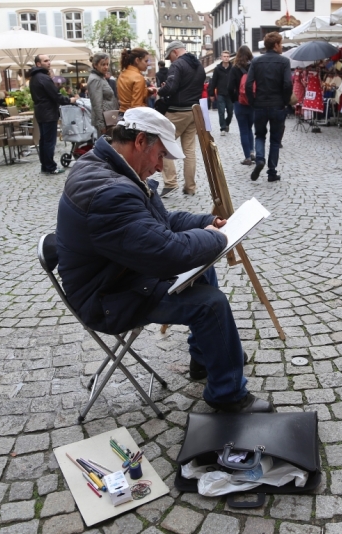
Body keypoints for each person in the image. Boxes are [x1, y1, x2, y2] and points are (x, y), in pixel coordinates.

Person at [56, 106, 272, 414]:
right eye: (159, 156)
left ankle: (203, 358)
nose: (160, 167)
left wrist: (204, 222)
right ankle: (228, 395)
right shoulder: (110, 191)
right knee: (209, 304)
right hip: (105, 297)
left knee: (202, 272)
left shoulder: (112, 168)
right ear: (140, 141)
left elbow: (161, 221)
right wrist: (218, 238)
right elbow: (167, 254)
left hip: (116, 274)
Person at [157, 40, 206, 197]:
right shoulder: (198, 65)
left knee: (162, 143)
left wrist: (161, 90)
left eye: (169, 56)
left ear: (175, 52)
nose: (170, 60)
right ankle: (190, 187)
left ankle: (170, 182)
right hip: (194, 111)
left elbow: (171, 87)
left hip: (177, 111)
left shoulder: (177, 65)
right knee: (189, 150)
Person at [245, 32, 292, 182]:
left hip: (259, 104)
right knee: (275, 140)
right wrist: (285, 101)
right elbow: (288, 84)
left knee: (259, 135)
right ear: (276, 45)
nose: (282, 47)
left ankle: (259, 159)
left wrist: (252, 100)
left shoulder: (256, 62)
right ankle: (272, 172)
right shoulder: (284, 62)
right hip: (278, 104)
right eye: (281, 44)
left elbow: (248, 84)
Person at [29, 54, 78, 175]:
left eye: (49, 60)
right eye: (46, 61)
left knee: (44, 140)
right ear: (38, 64)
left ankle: (45, 165)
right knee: (49, 141)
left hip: (41, 112)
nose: (49, 62)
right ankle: (51, 166)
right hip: (48, 113)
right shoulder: (43, 78)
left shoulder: (34, 77)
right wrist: (70, 100)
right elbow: (55, 95)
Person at [228, 45, 255, 165]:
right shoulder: (254, 67)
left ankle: (247, 157)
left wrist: (235, 99)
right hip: (253, 103)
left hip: (240, 103)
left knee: (243, 130)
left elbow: (229, 87)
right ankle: (252, 151)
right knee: (250, 128)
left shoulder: (234, 69)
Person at [87, 53, 118, 135]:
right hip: (105, 120)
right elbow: (97, 104)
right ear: (95, 65)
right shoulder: (95, 79)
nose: (106, 67)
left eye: (107, 64)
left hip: (109, 118)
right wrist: (102, 126)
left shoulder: (100, 77)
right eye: (103, 64)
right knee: (106, 144)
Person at [118, 48, 154, 113]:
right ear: (137, 60)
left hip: (122, 113)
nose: (148, 64)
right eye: (146, 61)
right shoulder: (138, 77)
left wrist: (147, 91)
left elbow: (129, 93)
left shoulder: (122, 74)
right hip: (133, 117)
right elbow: (136, 106)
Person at [208, 50, 234, 135]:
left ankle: (227, 123)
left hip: (230, 94)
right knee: (221, 111)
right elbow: (213, 82)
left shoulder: (233, 68)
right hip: (221, 93)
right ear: (221, 58)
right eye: (224, 56)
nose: (226, 58)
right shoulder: (217, 69)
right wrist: (211, 94)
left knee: (230, 112)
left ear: (229, 57)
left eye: (227, 56)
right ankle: (222, 128)